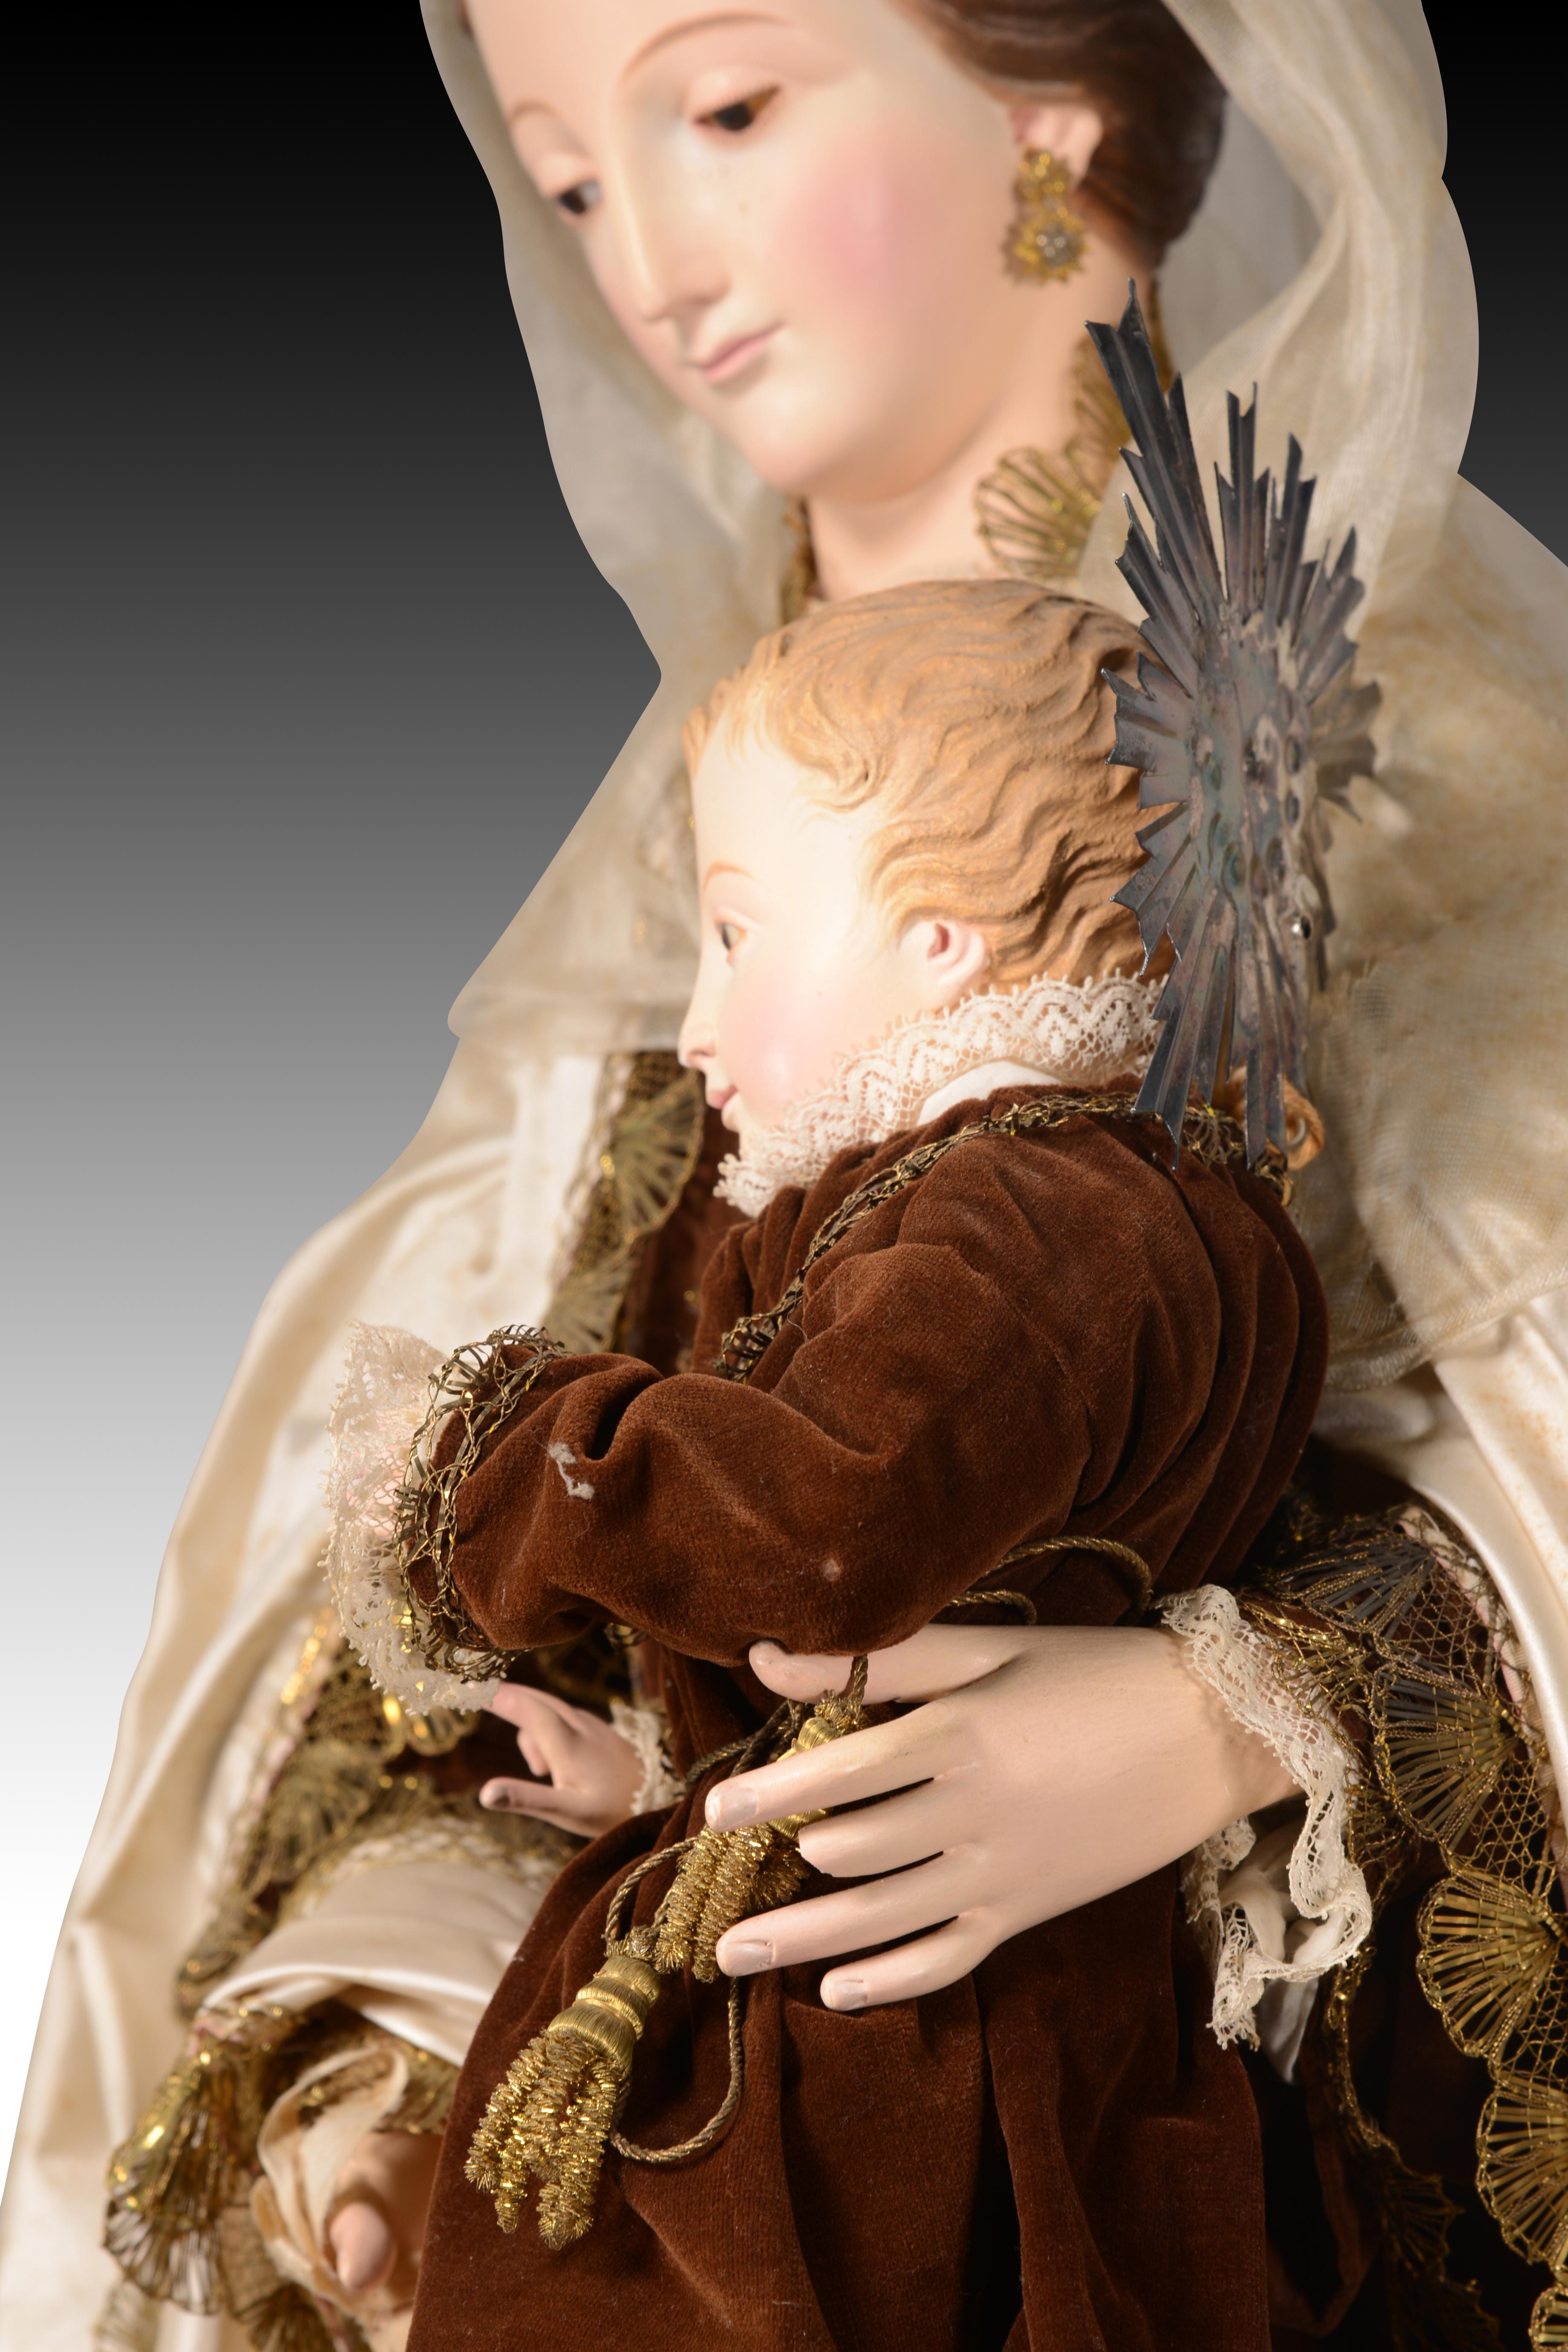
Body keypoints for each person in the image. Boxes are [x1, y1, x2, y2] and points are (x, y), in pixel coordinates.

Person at [6, 0, 1566, 2343]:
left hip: (1178, 2098)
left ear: (1051, 113)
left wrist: (1230, 1720)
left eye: (726, 109)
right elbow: (495, 1619)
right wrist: (411, 2032)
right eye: (567, 180)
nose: (646, 265)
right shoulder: (722, 823)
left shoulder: (1394, 750)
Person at [326, 574, 1327, 2348]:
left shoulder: (1039, 1217)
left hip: (889, 2058)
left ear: (940, 935)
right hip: (899, 1971)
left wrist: (504, 1461)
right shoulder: (1030, 1199)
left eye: (735, 933)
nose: (694, 1024)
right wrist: (677, 1771)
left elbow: (830, 1532)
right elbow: (892, 1616)